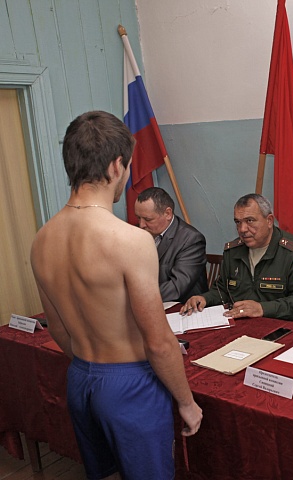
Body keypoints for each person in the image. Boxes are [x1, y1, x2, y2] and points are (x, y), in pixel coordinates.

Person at [30, 111, 202, 480]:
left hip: (80, 377)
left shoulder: (42, 239)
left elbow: (57, 328)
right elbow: (158, 342)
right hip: (130, 385)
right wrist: (187, 402)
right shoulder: (131, 240)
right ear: (116, 166)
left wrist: (93, 367)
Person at [181, 193, 293, 321]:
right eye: (238, 222)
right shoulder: (233, 251)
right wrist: (204, 298)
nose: (242, 229)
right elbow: (223, 291)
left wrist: (263, 309)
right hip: (240, 325)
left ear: (269, 221)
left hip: (280, 327)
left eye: (250, 220)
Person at [135, 187, 208, 303]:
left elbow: (176, 287)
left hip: (183, 307)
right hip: (153, 303)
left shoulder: (191, 240)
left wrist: (136, 297)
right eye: (138, 218)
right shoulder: (139, 233)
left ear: (168, 214)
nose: (141, 225)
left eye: (147, 219)